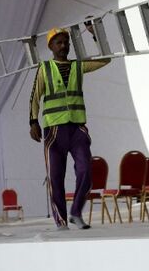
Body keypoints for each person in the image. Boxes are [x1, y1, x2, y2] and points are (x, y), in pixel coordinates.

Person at [29, 26, 110, 230]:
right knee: (56, 177)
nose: (63, 45)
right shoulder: (44, 68)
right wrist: (33, 122)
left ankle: (75, 212)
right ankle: (61, 222)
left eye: (66, 42)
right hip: (54, 131)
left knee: (86, 170)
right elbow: (35, 97)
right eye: (59, 42)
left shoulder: (78, 66)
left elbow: (105, 59)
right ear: (51, 46)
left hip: (77, 129)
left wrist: (94, 34)